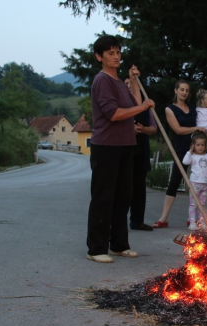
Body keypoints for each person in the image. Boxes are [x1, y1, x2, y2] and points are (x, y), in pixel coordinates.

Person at [86, 35, 155, 263]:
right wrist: (143, 107)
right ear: (99, 57)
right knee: (103, 196)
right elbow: (114, 113)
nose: (116, 56)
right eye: (110, 53)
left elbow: (134, 104)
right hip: (106, 146)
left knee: (123, 196)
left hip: (126, 144)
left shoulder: (117, 81)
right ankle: (96, 248)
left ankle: (118, 245)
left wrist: (134, 81)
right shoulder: (102, 80)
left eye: (118, 52)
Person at [153, 80, 207, 228]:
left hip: (198, 148)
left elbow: (205, 116)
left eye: (186, 90)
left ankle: (193, 219)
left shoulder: (192, 108)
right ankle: (164, 218)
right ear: (176, 91)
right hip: (182, 149)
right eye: (182, 89)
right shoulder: (170, 109)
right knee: (175, 181)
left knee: (199, 182)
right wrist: (196, 127)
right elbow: (178, 130)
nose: (184, 92)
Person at [124, 76, 158, 231]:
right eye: (127, 84)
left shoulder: (146, 106)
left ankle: (137, 220)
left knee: (139, 187)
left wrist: (142, 129)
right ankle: (118, 221)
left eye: (132, 84)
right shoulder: (121, 104)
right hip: (125, 150)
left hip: (141, 149)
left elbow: (153, 128)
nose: (130, 86)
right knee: (124, 187)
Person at [182, 132, 207, 231]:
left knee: (202, 204)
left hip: (205, 184)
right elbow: (184, 162)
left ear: (205, 146)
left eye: (202, 145)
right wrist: (190, 151)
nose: (200, 147)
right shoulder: (192, 156)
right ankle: (192, 222)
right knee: (193, 204)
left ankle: (202, 222)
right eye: (198, 145)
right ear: (193, 145)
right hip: (194, 183)